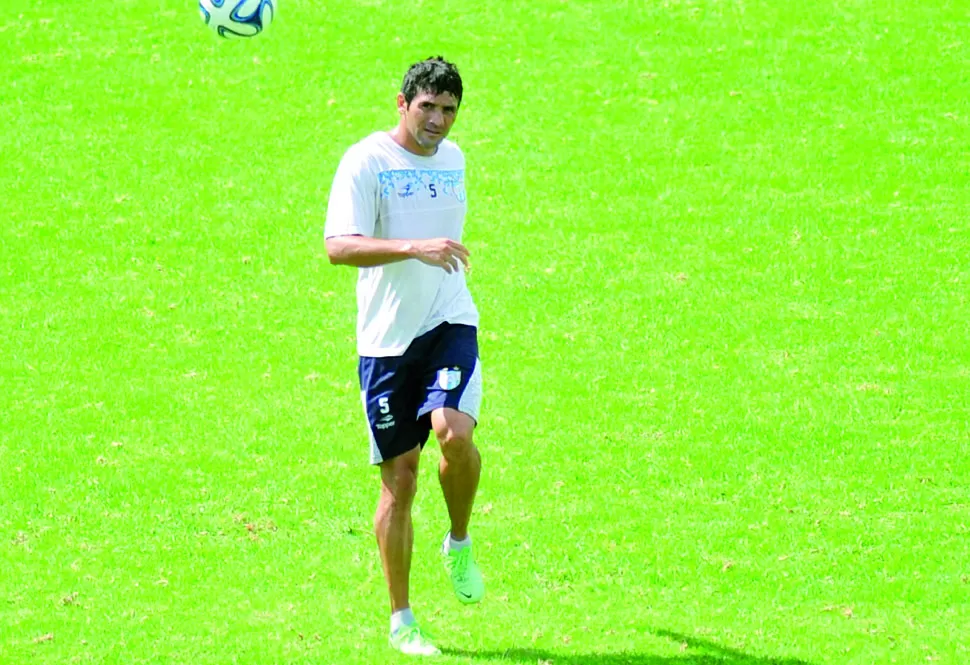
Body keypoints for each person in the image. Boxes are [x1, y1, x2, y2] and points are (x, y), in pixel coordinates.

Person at [323, 56, 485, 657]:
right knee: (400, 481)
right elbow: (338, 247)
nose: (439, 121)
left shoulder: (455, 159)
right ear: (401, 103)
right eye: (428, 108)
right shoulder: (367, 162)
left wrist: (429, 257)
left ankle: (460, 541)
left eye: (449, 110)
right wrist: (413, 247)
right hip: (387, 343)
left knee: (453, 434)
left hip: (449, 319)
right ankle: (403, 620)